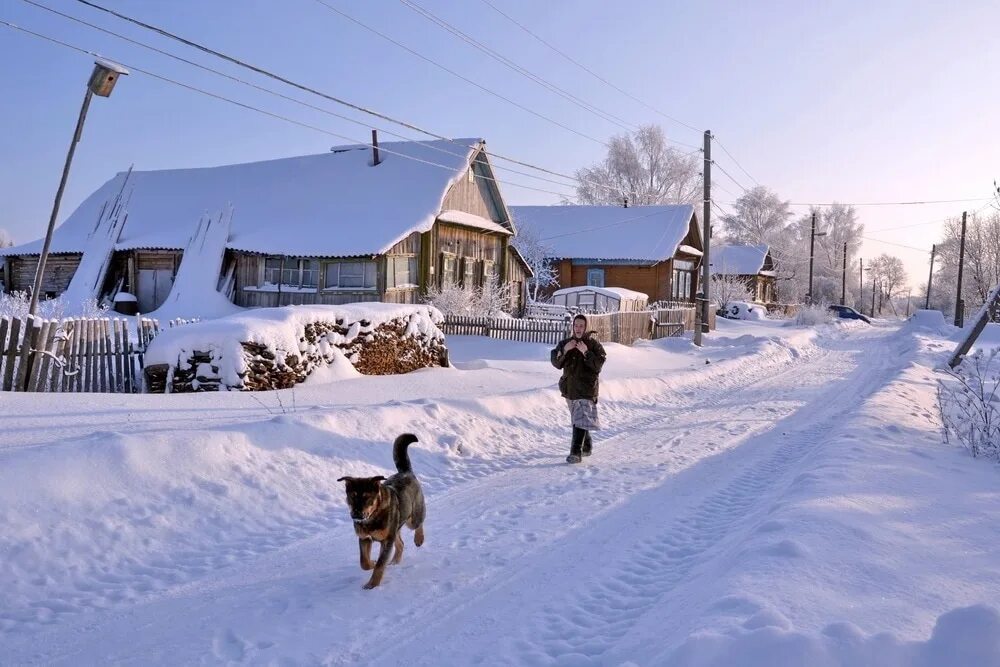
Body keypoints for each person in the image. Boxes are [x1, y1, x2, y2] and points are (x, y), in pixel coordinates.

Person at [550, 314, 607, 463]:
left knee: (580, 418)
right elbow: (556, 363)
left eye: (581, 326)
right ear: (573, 327)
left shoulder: (594, 345)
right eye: (576, 325)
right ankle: (586, 445)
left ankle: (576, 453)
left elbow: (598, 366)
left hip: (587, 389)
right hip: (569, 388)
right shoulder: (565, 343)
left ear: (586, 327)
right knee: (579, 419)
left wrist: (586, 353)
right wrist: (565, 351)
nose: (578, 328)